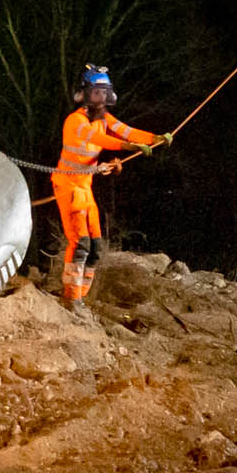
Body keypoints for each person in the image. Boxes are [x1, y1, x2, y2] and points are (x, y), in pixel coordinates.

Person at [51, 64, 167, 299]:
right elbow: (101, 140)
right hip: (68, 187)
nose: (101, 98)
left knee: (95, 247)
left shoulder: (105, 118)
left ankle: (80, 298)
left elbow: (127, 131)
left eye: (105, 93)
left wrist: (156, 139)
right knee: (80, 244)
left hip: (84, 187)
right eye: (97, 92)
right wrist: (129, 147)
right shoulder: (75, 121)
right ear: (85, 94)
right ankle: (71, 299)